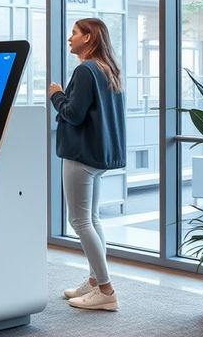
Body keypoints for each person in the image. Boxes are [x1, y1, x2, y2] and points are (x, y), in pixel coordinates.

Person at [49, 17, 126, 311]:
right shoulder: (108, 69)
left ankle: (105, 289)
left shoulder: (85, 70)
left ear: (88, 38)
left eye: (74, 33)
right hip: (98, 155)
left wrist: (56, 94)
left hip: (81, 154)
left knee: (79, 221)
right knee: (92, 219)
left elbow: (73, 113)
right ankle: (95, 281)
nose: (70, 38)